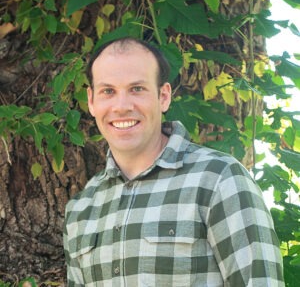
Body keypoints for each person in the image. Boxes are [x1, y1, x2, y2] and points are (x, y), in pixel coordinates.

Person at [63, 37, 284, 286]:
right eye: (108, 91)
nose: (121, 106)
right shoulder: (81, 209)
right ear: (91, 101)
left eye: (137, 89)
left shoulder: (219, 179)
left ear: (164, 96)